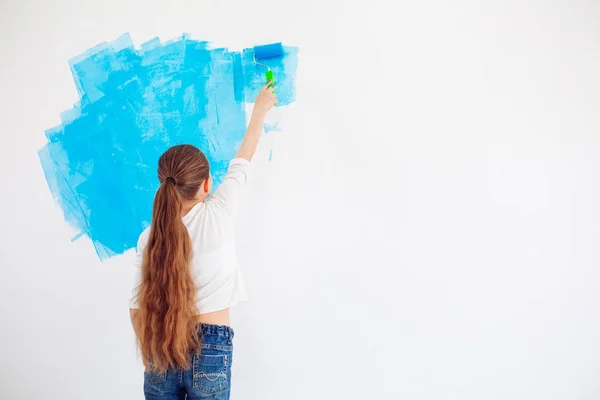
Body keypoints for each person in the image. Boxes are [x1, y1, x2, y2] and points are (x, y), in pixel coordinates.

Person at [129, 82, 278, 399]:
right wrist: (260, 110)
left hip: (161, 345)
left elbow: (136, 306)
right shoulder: (219, 213)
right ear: (207, 183)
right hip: (211, 346)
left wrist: (151, 351)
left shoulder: (149, 236)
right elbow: (243, 158)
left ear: (163, 184)